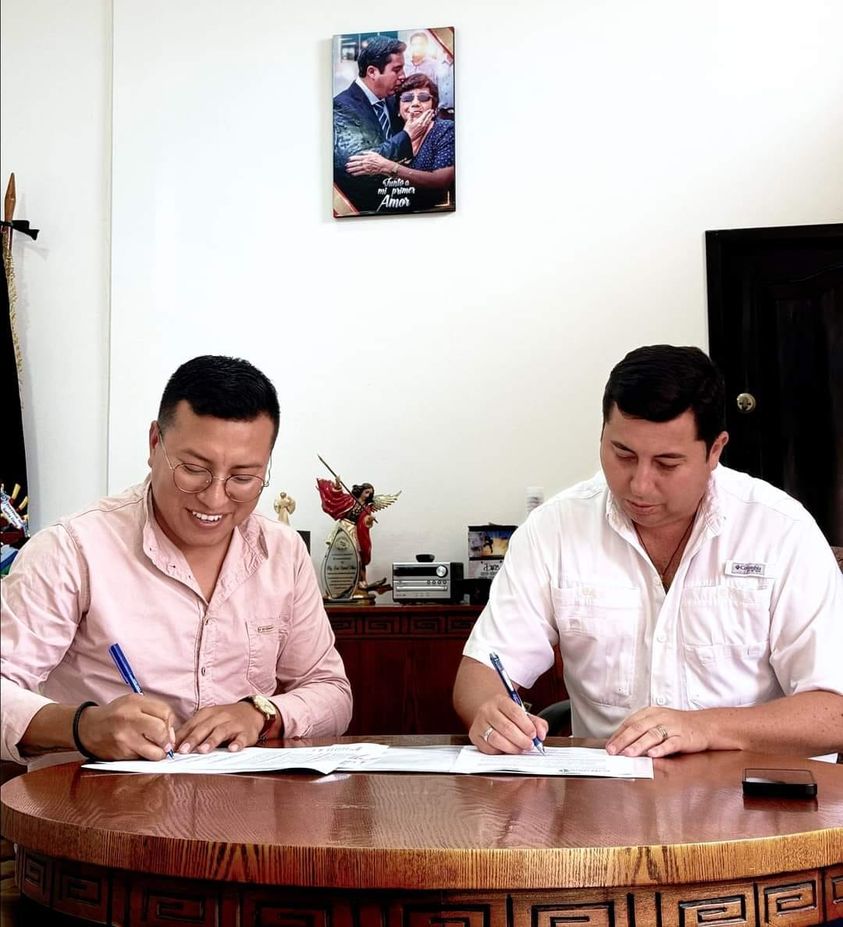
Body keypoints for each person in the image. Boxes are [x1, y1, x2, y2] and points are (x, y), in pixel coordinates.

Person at [453, 345, 843, 760]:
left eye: (667, 463)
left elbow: (833, 712)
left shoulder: (780, 530)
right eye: (623, 454)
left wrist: (705, 727)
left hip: (754, 790)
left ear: (715, 450)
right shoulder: (556, 529)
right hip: (611, 790)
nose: (639, 485)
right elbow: (480, 672)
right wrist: (490, 710)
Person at [0, 355, 352, 768]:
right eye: (193, 469)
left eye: (242, 478)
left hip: (245, 802)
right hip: (97, 802)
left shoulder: (283, 552)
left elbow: (331, 691)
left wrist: (260, 714)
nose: (214, 499)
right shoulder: (73, 549)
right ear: (155, 443)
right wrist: (83, 726)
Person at [333, 36, 429, 215]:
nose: (403, 76)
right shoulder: (340, 107)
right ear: (372, 72)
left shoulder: (394, 100)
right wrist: (407, 136)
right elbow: (356, 164)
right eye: (397, 70)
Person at [345, 74, 455, 213]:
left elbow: (440, 183)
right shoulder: (393, 133)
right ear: (398, 109)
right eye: (407, 99)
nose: (415, 103)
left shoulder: (445, 129)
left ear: (435, 106)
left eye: (423, 98)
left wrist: (388, 167)